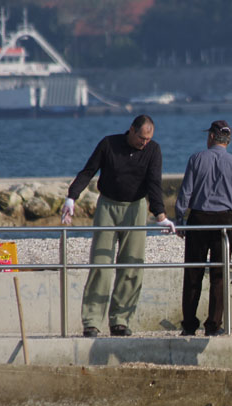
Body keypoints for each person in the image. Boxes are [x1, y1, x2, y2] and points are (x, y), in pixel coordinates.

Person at [60, 115, 175, 337]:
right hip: (108, 206)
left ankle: (120, 320)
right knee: (100, 263)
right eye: (141, 138)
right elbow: (88, 171)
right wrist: (71, 197)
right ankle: (92, 321)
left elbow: (154, 183)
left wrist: (160, 216)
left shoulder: (153, 150)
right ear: (131, 130)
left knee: (132, 265)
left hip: (136, 207)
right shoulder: (108, 144)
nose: (144, 143)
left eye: (148, 139)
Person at [175, 120, 232, 336]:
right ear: (228, 140)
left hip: (198, 219)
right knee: (219, 275)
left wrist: (179, 219)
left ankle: (189, 325)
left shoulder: (196, 159)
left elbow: (185, 193)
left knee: (193, 274)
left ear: (211, 137)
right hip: (225, 223)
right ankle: (213, 325)